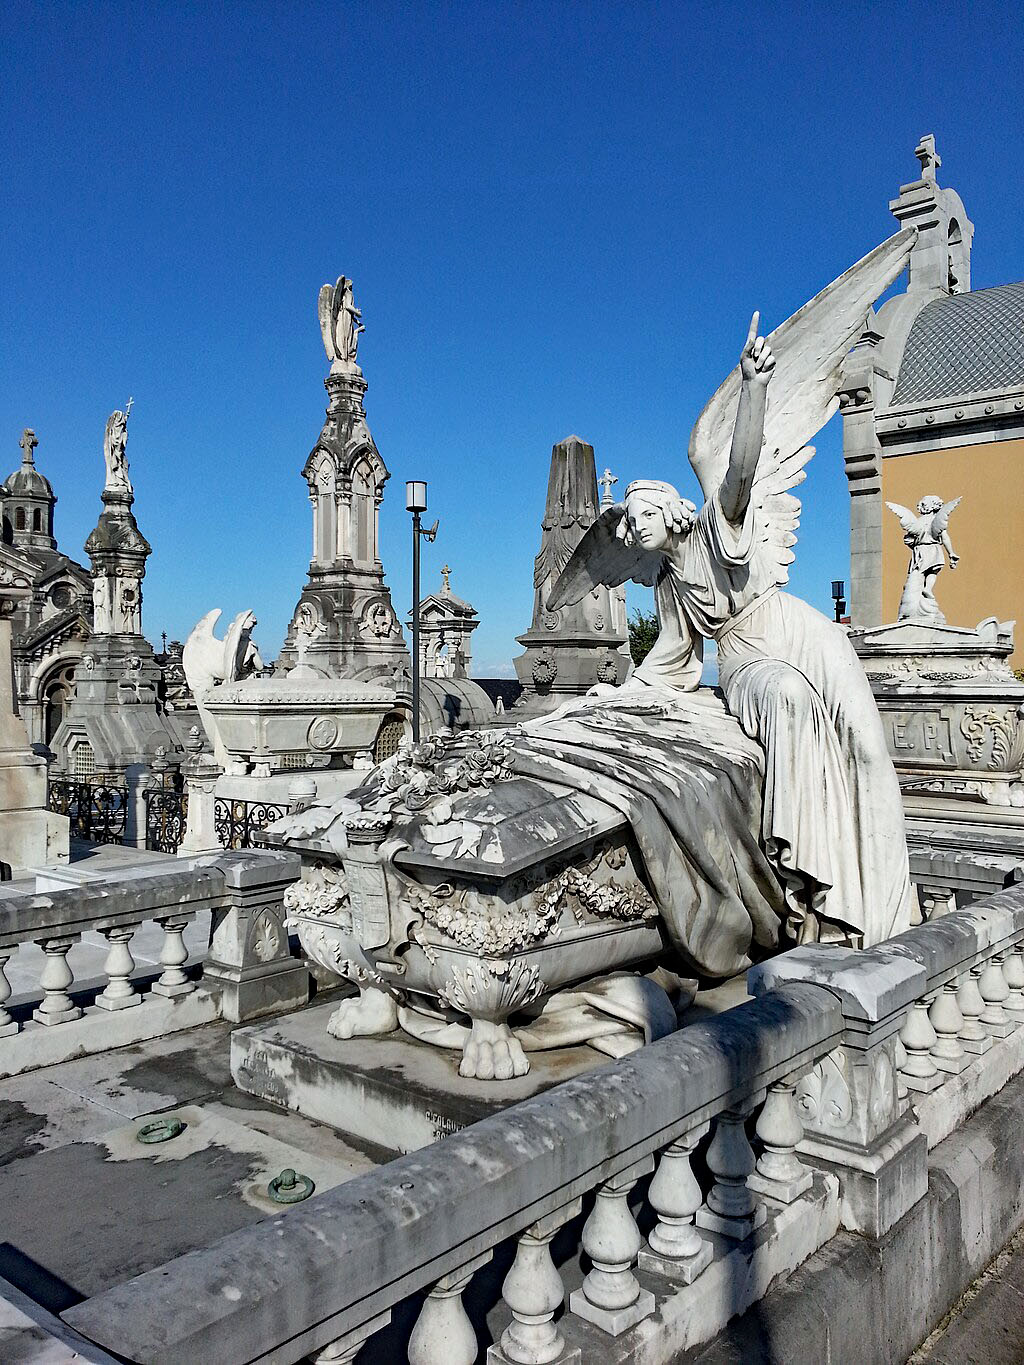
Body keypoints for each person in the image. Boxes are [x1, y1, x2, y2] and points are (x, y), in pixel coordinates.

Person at [614, 314, 912, 946]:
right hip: (748, 655)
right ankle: (821, 904)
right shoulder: (670, 585)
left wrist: (754, 389)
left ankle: (889, 912)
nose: (634, 527)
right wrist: (619, 698)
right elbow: (670, 656)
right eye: (630, 521)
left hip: (797, 626)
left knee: (867, 743)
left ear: (669, 511)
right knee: (789, 697)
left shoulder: (715, 524)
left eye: (641, 515)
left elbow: (740, 469)